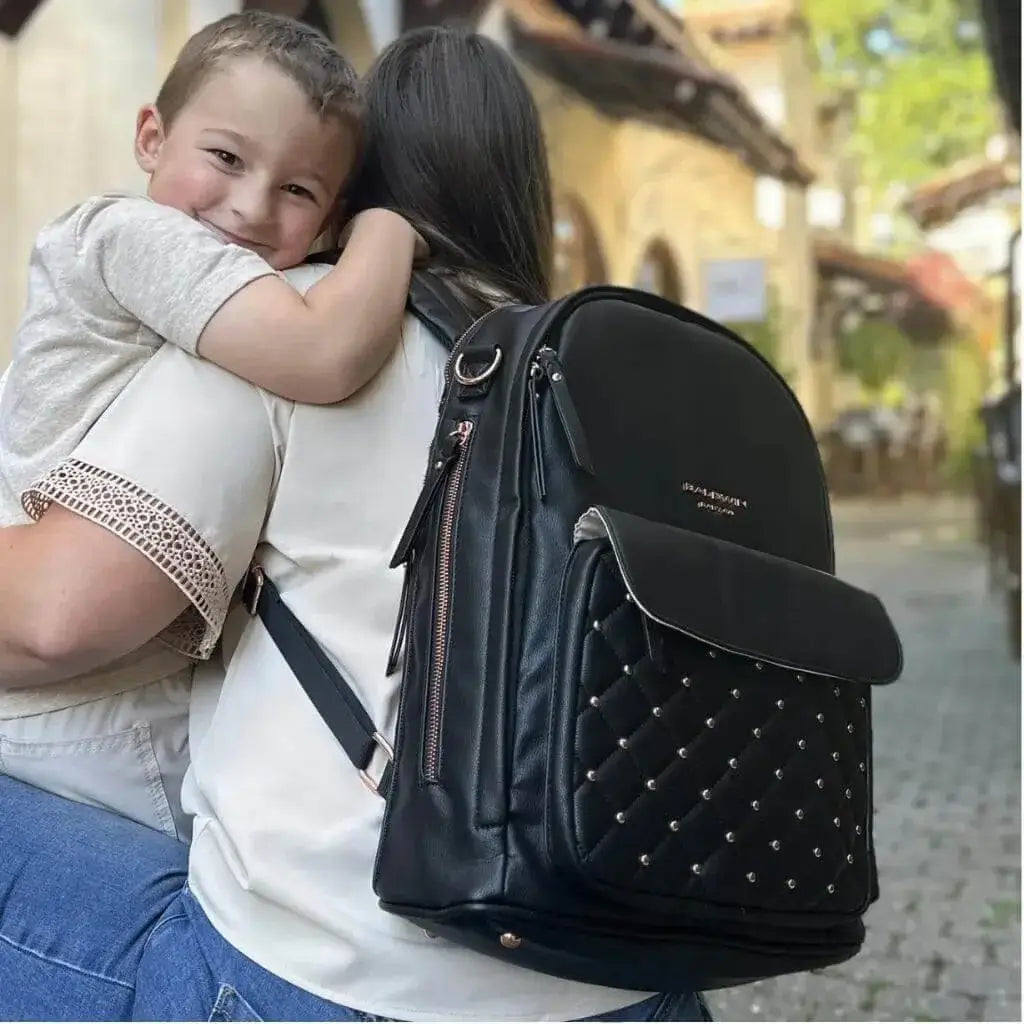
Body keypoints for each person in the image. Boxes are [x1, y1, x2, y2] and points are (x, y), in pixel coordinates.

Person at [0, 27, 709, 1022]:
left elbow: (54, 620)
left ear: (354, 190)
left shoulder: (279, 327)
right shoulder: (612, 374)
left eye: (299, 187)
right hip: (632, 965)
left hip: (336, 978)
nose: (255, 207)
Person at [0, 10, 424, 842]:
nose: (248, 207)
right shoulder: (132, 234)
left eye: (298, 189)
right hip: (81, 711)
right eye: (225, 157)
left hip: (103, 684)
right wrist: (393, 228)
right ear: (151, 136)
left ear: (327, 213)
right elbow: (323, 351)